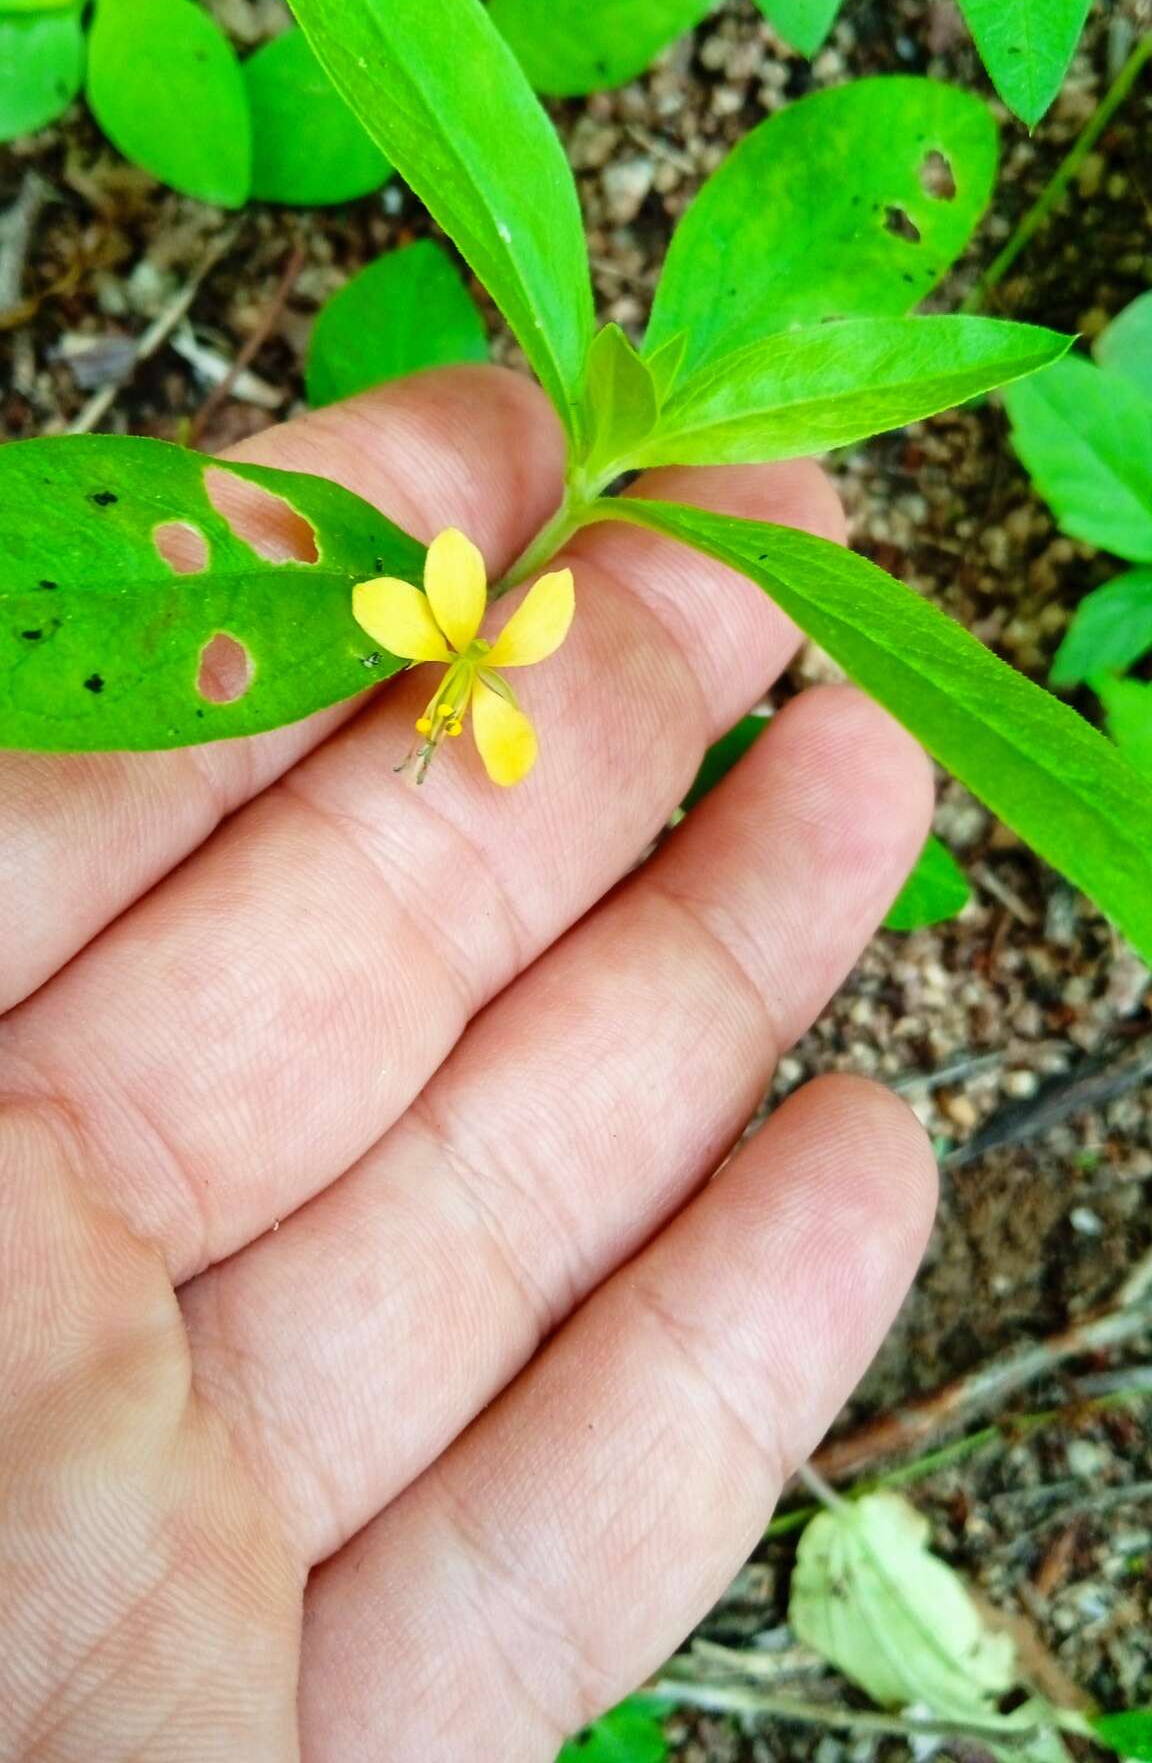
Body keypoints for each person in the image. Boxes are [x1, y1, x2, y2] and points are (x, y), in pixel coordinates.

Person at [0, 368, 938, 1760]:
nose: (454, 700)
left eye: (470, 677)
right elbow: (425, 615)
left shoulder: (489, 667)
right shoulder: (439, 643)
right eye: (462, 677)